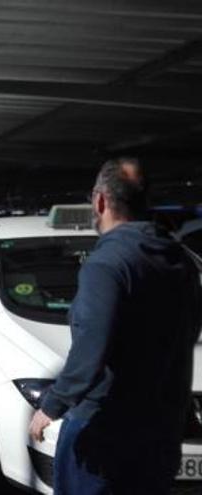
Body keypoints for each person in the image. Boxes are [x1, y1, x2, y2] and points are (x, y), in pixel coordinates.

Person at [29, 158, 202, 494]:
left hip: (104, 434)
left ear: (100, 201)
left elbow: (91, 347)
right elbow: (189, 333)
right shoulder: (180, 261)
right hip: (160, 433)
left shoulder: (106, 265)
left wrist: (51, 406)